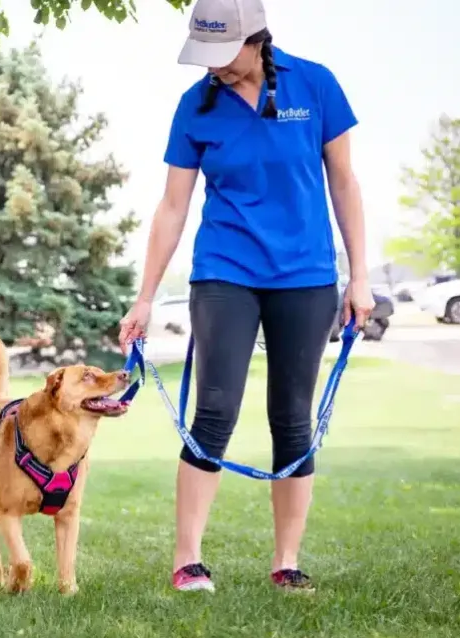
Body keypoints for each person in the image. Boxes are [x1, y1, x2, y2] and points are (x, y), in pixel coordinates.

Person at [118, 0, 374, 594]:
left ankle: (286, 562)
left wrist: (359, 276)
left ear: (256, 40)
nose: (214, 69)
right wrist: (145, 296)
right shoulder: (195, 106)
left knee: (292, 418)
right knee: (214, 411)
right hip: (225, 270)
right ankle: (188, 560)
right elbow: (173, 207)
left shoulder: (315, 83)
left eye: (223, 55)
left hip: (306, 275)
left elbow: (344, 183)